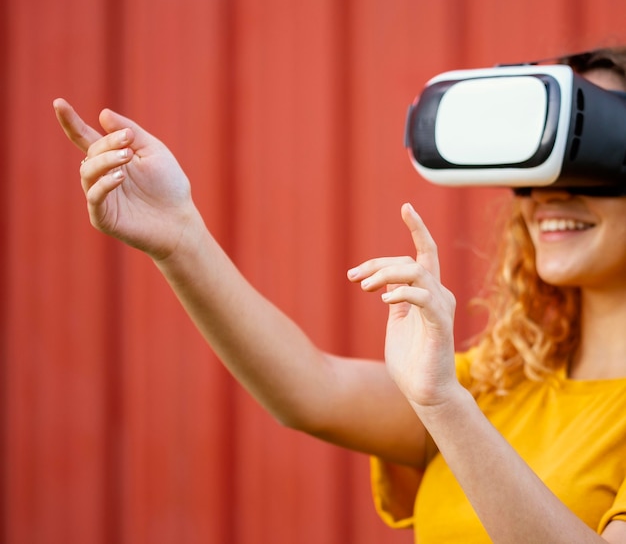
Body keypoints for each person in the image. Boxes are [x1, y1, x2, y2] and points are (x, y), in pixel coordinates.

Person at [55, 46, 626, 543]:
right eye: (540, 165)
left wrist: (446, 408)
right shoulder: (498, 386)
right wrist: (180, 237)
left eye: (592, 156)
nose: (552, 195)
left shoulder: (458, 400)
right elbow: (311, 389)